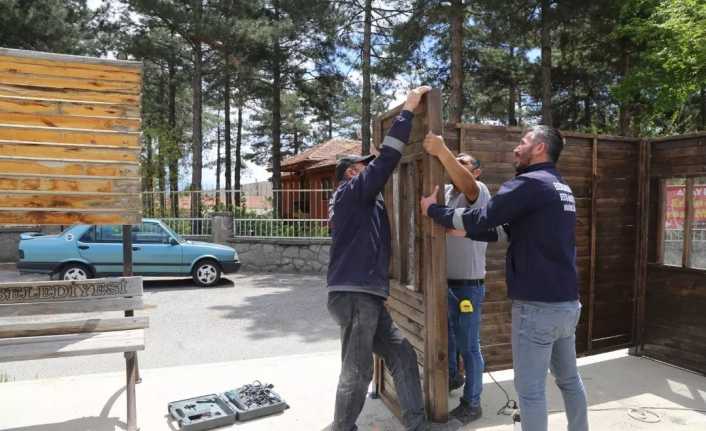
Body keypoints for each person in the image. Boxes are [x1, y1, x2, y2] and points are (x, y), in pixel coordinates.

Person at [420, 126, 589, 431]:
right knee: (569, 381)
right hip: (567, 305)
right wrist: (467, 230)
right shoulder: (560, 186)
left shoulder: (528, 183)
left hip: (537, 307)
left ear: (539, 148)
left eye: (522, 142)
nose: (516, 148)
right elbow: (512, 229)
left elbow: (483, 216)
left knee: (531, 392)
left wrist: (435, 211)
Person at [326, 85, 432, 431]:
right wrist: (408, 111)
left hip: (365, 295)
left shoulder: (358, 201)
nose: (370, 171)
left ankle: (418, 425)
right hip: (357, 296)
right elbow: (387, 162)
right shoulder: (350, 193)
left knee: (401, 354)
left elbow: (381, 166)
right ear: (351, 174)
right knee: (356, 369)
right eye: (363, 167)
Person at [421, 134, 491, 424]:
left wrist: (443, 151)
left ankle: (472, 403)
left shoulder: (479, 190)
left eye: (464, 164)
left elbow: (465, 187)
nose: (456, 167)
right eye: (454, 162)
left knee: (469, 346)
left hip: (467, 286)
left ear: (475, 172)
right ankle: (452, 378)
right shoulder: (447, 192)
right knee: (448, 339)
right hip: (444, 283)